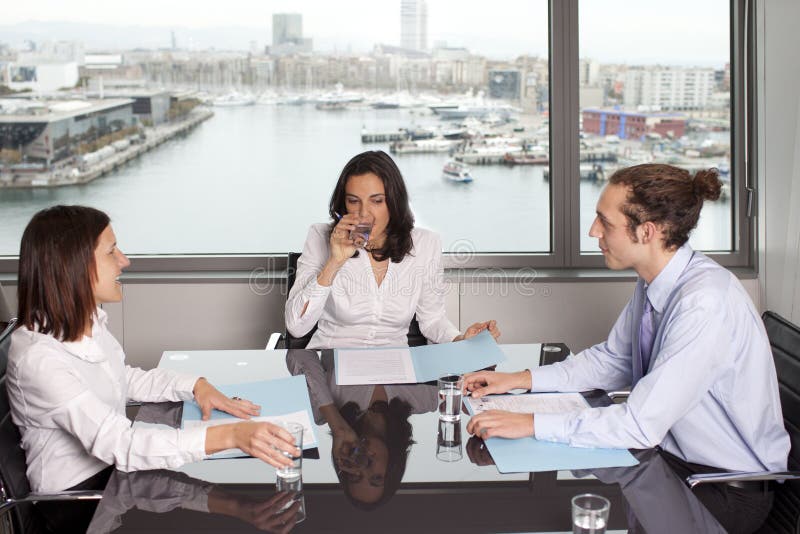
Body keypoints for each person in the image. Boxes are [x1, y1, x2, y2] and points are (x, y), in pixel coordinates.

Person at [464, 164, 790, 475]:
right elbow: (613, 361)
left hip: (721, 485)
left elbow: (640, 424)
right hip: (669, 459)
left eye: (604, 222)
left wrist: (531, 423)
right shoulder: (657, 281)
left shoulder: (704, 303)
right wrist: (518, 380)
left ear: (646, 232)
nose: (593, 231)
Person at [7, 206, 300, 530]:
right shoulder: (39, 359)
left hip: (116, 478)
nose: (124, 260)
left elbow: (122, 377)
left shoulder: (83, 320)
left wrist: (195, 385)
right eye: (111, 252)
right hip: (78, 506)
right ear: (73, 266)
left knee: (219, 485)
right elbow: (120, 443)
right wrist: (231, 435)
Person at [285, 150, 499, 349]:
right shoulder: (320, 236)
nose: (364, 213)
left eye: (377, 201)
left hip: (396, 370)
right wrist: (335, 261)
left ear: (394, 202)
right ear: (344, 204)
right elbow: (296, 327)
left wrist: (461, 340)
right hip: (330, 365)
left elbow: (432, 320)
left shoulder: (425, 244)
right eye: (353, 201)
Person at [286, 349, 431, 508]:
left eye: (356, 476)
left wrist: (338, 426)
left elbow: (297, 353)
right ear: (393, 467)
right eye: (376, 478)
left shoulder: (325, 410)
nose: (364, 466)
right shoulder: (425, 398)